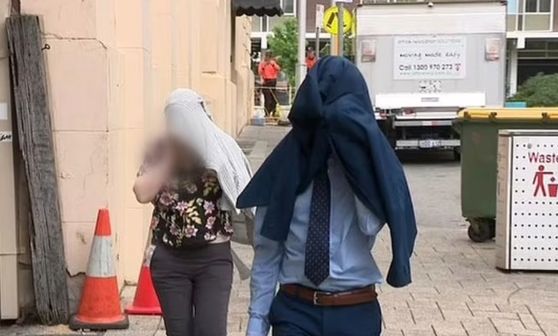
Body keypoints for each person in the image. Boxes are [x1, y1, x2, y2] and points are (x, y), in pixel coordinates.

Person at [238, 57, 418, 336]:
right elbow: (267, 251)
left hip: (355, 309)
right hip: (295, 310)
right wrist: (256, 324)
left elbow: (370, 225)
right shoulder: (286, 169)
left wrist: (355, 164)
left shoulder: (370, 168)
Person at [133, 89, 253, 336]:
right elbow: (142, 193)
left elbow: (242, 189)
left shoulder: (221, 146)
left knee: (211, 331)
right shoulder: (161, 151)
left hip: (213, 258)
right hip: (169, 259)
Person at [258, 51, 281, 117]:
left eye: (269, 56)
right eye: (267, 56)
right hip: (266, 81)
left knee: (273, 97)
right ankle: (267, 113)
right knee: (267, 98)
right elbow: (260, 72)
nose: (267, 58)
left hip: (273, 81)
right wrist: (265, 65)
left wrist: (273, 64)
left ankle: (273, 112)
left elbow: (278, 69)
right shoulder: (262, 63)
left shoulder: (273, 63)